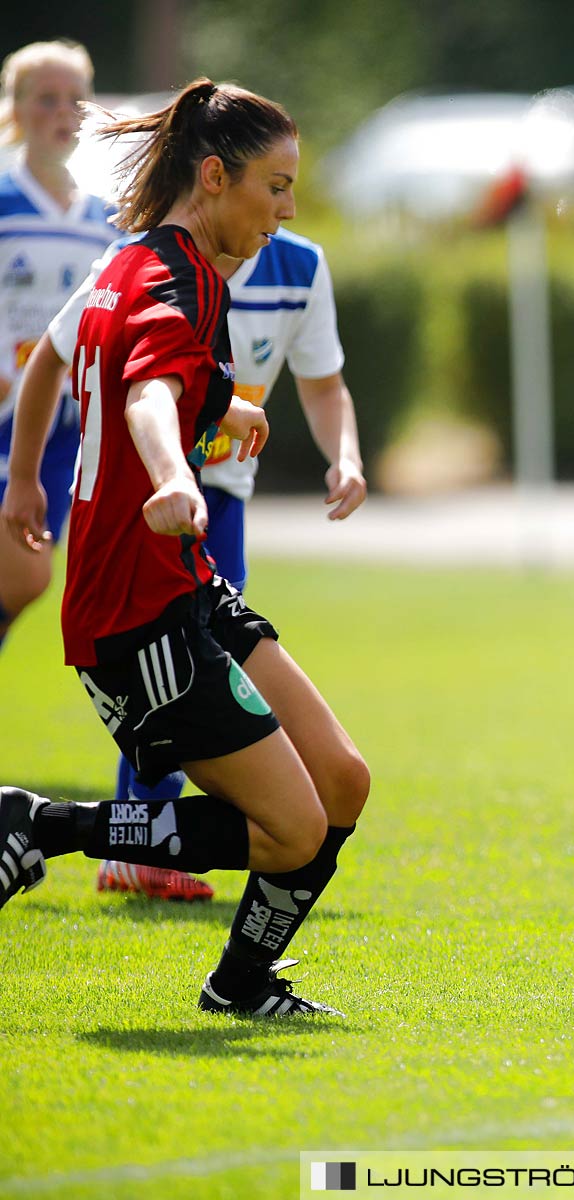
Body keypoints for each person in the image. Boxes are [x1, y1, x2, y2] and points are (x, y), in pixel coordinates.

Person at [0, 79, 369, 1016]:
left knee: (341, 783)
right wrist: (170, 474)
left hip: (183, 585)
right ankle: (50, 826)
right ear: (214, 177)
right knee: (288, 828)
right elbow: (143, 399)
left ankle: (243, 984)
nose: (285, 210)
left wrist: (25, 477)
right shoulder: (179, 280)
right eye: (275, 187)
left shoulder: (129, 265)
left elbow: (58, 359)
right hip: (133, 615)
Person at [0, 40, 116, 653]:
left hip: (70, 429)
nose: (63, 113)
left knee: (26, 578)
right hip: (4, 422)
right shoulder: (2, 202)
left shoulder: (109, 217)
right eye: (46, 99)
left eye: (76, 100)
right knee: (25, 572)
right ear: (15, 109)